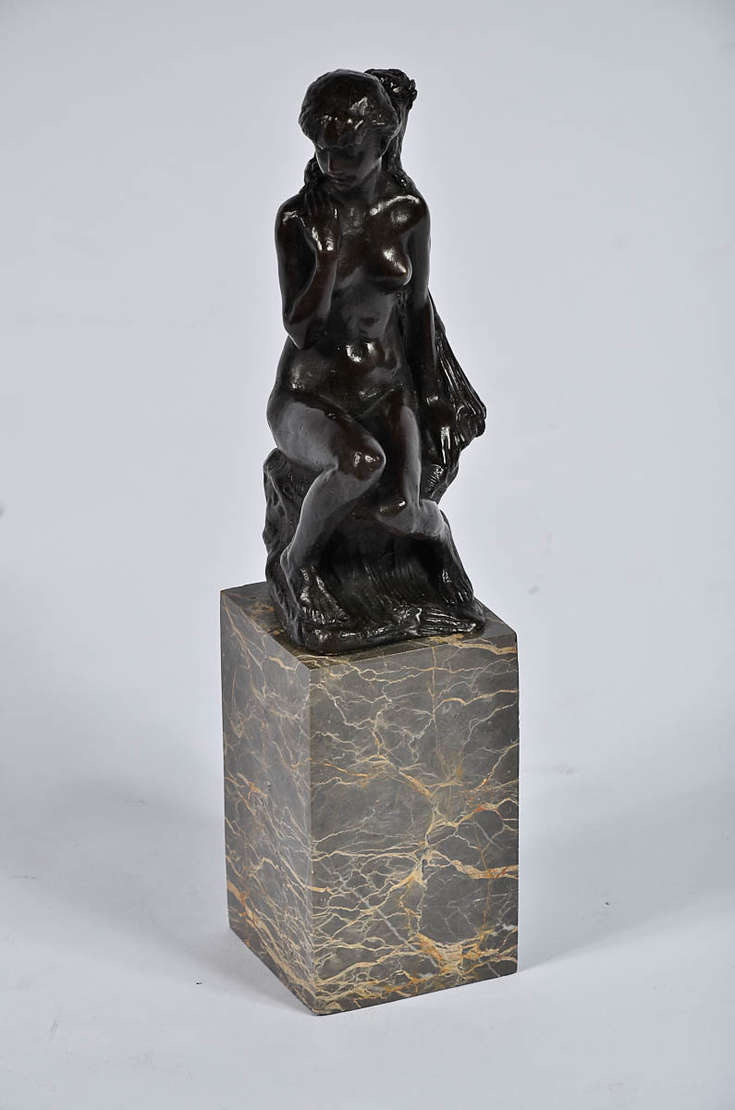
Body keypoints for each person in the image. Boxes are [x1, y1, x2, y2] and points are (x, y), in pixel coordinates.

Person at [265, 69, 484, 643]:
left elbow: (418, 308)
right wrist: (326, 260)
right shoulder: (298, 219)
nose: (332, 164)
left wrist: (434, 399)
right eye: (323, 149)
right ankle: (296, 565)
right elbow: (301, 330)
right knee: (360, 463)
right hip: (309, 395)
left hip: (386, 388)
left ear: (383, 142)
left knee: (401, 511)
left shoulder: (408, 212)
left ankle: (440, 542)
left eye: (348, 151)